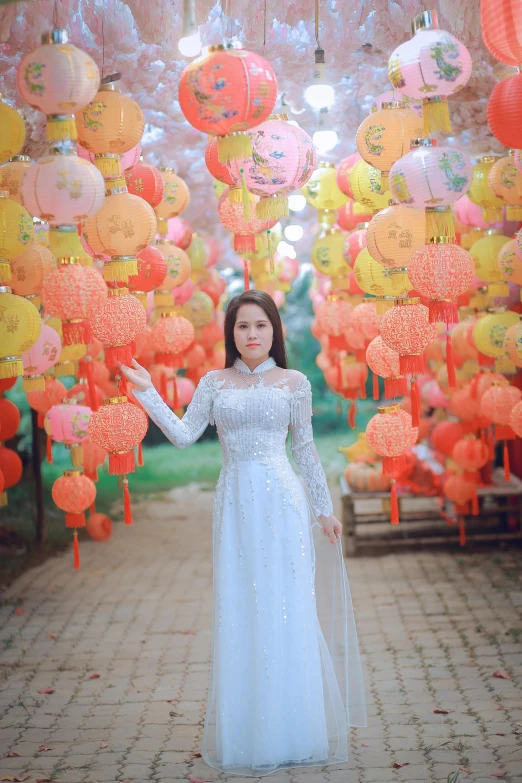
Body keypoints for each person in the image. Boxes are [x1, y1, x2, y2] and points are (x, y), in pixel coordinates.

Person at [120, 289, 367, 778]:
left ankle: (295, 730)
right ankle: (250, 732)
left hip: (283, 501)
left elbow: (307, 450)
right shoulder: (214, 383)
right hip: (235, 503)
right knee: (243, 607)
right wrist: (148, 391)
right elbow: (184, 434)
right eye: (242, 326)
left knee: (287, 604)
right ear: (230, 333)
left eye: (260, 325)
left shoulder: (295, 383)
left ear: (274, 330)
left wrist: (323, 509)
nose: (252, 335)